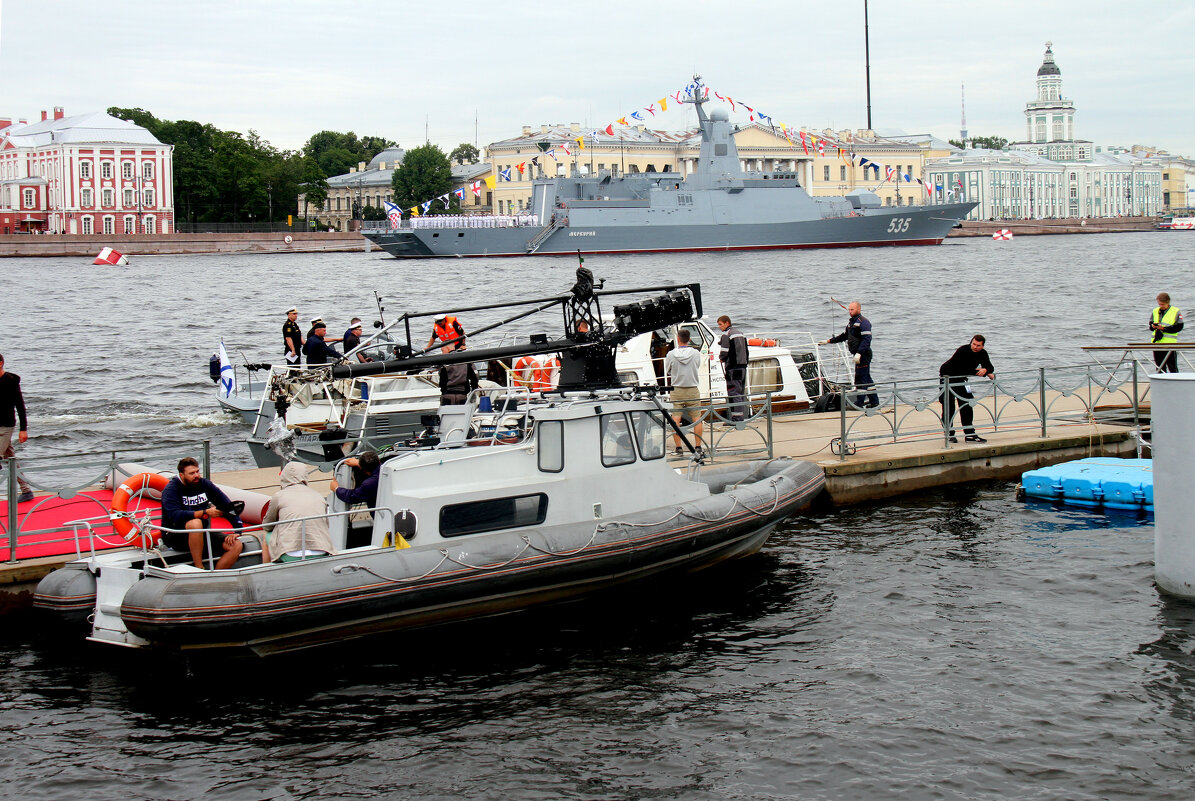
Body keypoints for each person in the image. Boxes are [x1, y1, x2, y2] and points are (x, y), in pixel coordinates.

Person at [159, 457, 245, 569]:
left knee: (236, 545)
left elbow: (226, 505)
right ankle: (199, 567)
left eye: (197, 472)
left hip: (202, 532)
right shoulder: (171, 490)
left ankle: (217, 577)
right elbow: (175, 516)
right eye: (191, 473)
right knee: (196, 523)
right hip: (176, 535)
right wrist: (204, 512)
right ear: (181, 475)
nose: (196, 476)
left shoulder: (204, 484)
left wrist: (237, 530)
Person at [262, 462, 335, 562]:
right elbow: (326, 525)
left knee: (267, 534)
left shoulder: (279, 496)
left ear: (284, 476)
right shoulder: (318, 496)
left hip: (291, 553)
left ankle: (266, 571)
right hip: (322, 550)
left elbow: (267, 525)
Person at [939, 335, 996, 443]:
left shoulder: (983, 353)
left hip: (961, 378)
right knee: (948, 406)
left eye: (978, 345)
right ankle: (949, 434)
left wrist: (986, 370)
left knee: (968, 403)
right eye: (973, 344)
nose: (975, 347)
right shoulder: (963, 350)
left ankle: (970, 434)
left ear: (982, 346)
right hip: (948, 376)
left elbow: (990, 366)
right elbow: (963, 369)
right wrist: (981, 372)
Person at [821, 301, 878, 408]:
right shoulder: (851, 323)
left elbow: (867, 339)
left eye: (852, 309)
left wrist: (859, 353)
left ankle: (859, 403)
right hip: (857, 355)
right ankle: (874, 402)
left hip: (863, 355)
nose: (850, 311)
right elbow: (844, 336)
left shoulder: (863, 322)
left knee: (860, 379)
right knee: (867, 379)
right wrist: (829, 341)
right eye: (849, 309)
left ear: (858, 309)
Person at [0, 352, 33, 503]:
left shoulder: (11, 381)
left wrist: (23, 429)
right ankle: (26, 490)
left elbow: (20, 406)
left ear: (0, 364)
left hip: (6, 425)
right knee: (10, 457)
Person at [664, 329, 704, 456]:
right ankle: (698, 446)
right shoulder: (696, 353)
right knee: (696, 418)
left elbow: (667, 370)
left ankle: (679, 447)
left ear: (678, 339)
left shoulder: (671, 354)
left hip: (677, 389)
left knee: (675, 419)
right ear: (689, 339)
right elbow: (696, 366)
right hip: (692, 388)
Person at [717, 315, 749, 422]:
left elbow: (724, 351)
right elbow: (746, 350)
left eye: (720, 324)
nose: (719, 327)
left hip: (733, 368)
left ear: (727, 323)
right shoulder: (740, 333)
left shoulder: (727, 334)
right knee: (740, 392)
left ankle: (737, 419)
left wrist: (721, 358)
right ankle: (741, 417)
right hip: (743, 367)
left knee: (733, 392)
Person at [1149, 292, 1183, 373]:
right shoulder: (1155, 311)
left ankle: (1175, 384)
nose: (1161, 306)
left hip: (1169, 344)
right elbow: (1150, 326)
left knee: (1172, 367)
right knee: (1159, 367)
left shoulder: (1176, 311)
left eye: (1162, 304)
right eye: (1159, 304)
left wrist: (1164, 328)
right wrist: (1153, 326)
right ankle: (1161, 384)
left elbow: (1179, 327)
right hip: (1157, 343)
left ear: (1168, 302)